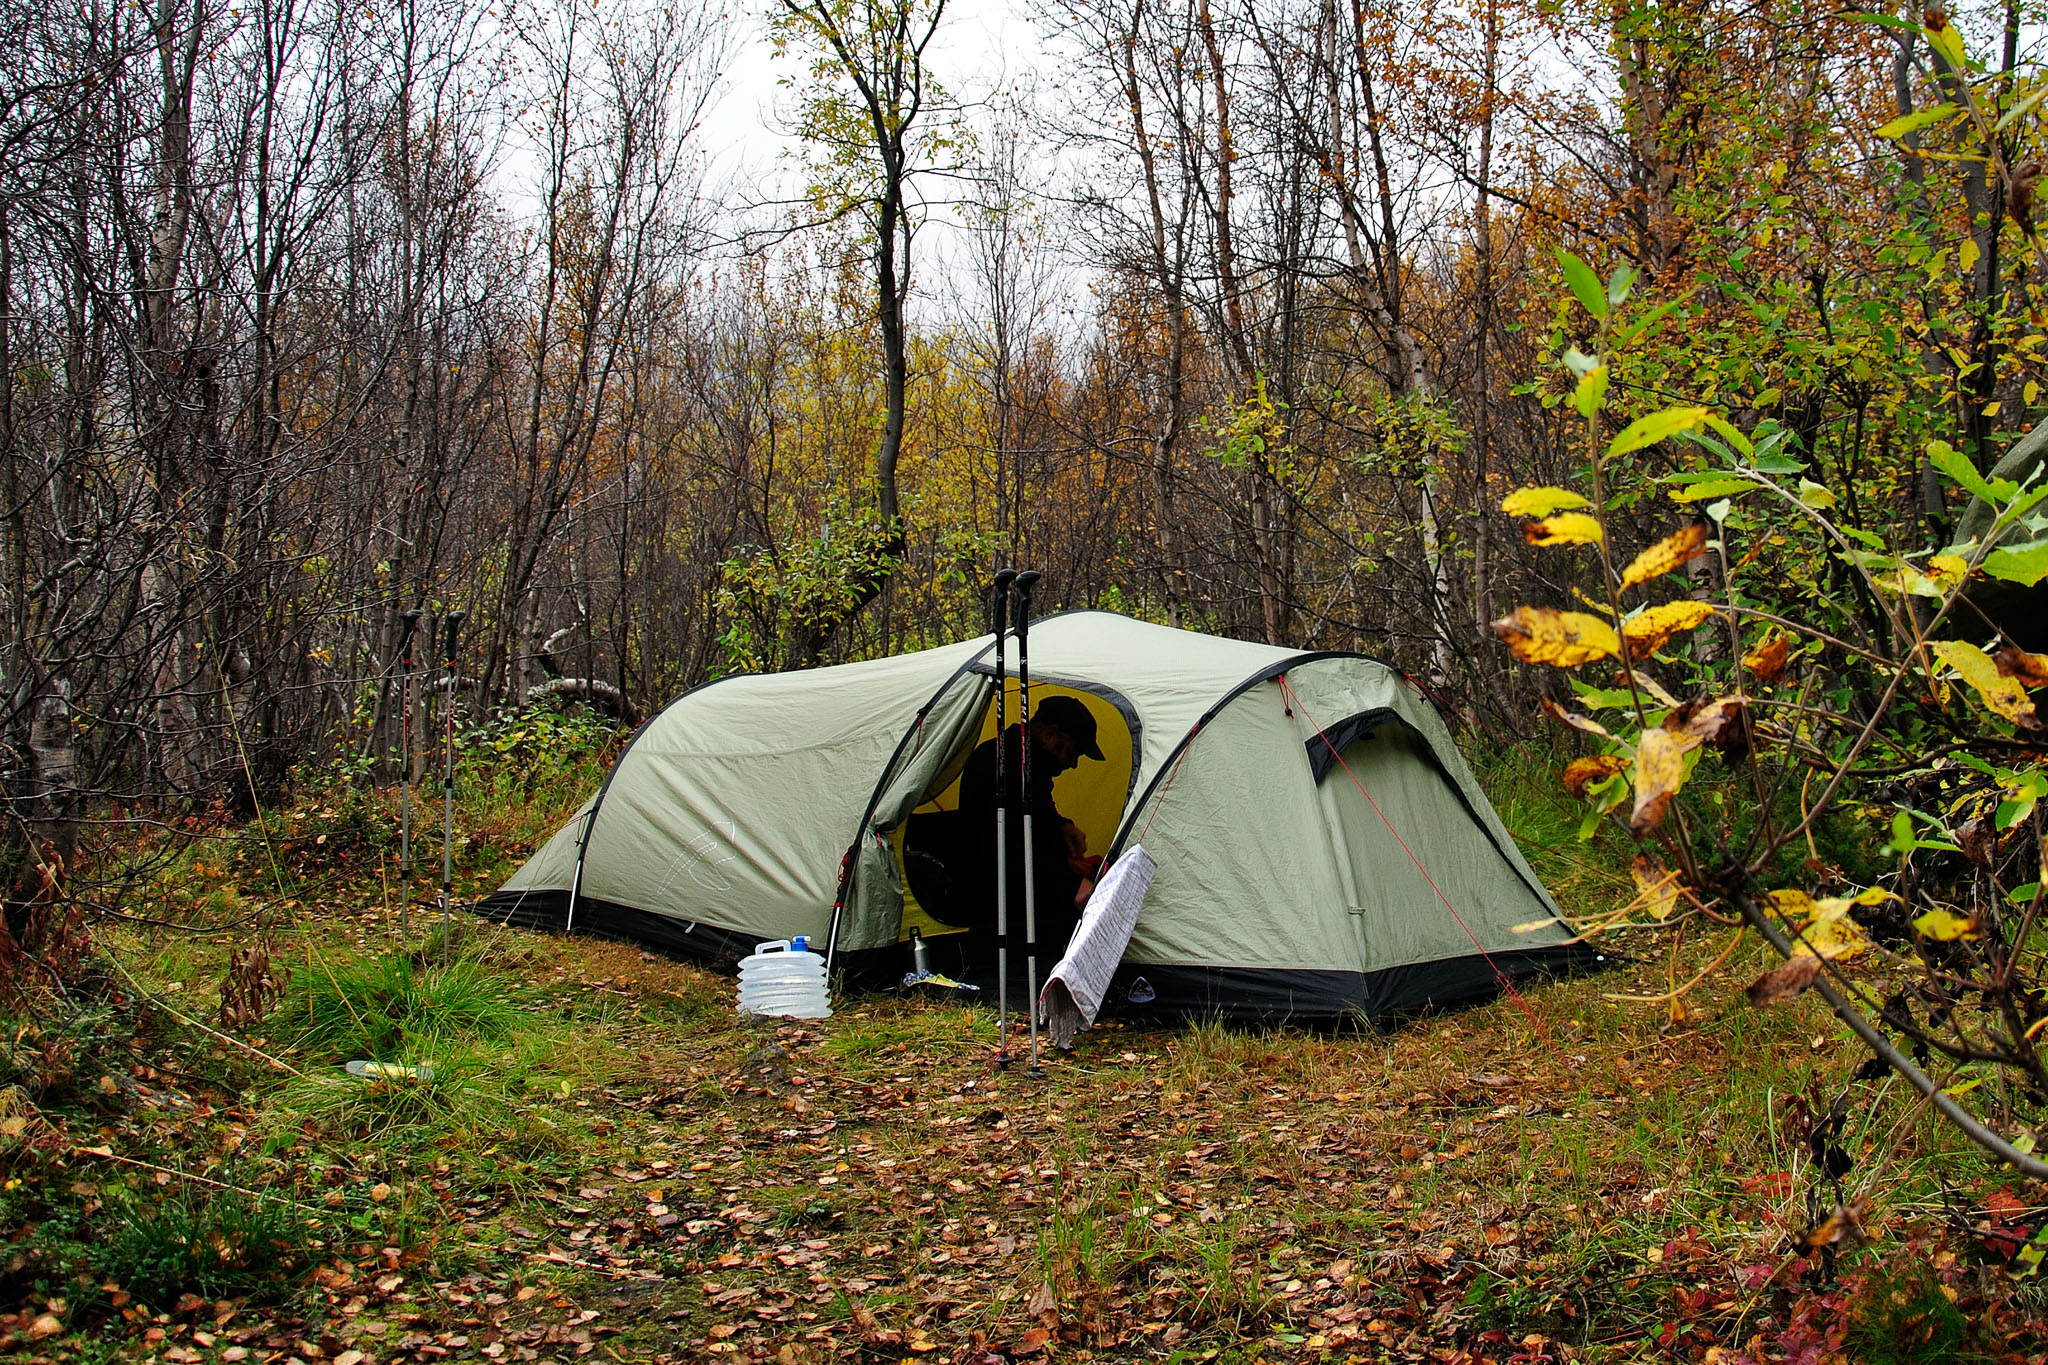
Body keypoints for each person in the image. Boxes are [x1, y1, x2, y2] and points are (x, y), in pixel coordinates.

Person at [904, 694, 1106, 973]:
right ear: (1049, 735)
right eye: (1073, 752)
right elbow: (1004, 850)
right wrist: (1070, 887)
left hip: (1023, 888)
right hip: (997, 906)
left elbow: (1037, 816)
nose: (1073, 764)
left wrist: (1062, 825)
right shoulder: (1001, 766)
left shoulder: (1027, 762)